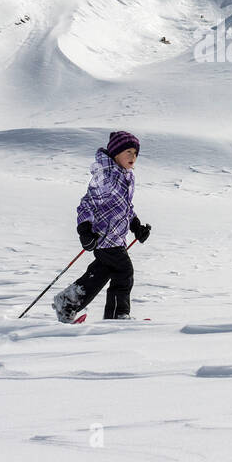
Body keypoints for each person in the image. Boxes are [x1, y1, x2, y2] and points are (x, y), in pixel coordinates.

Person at [53, 130, 152, 321]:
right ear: (116, 153)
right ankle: (118, 315)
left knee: (101, 272)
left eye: (135, 153)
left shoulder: (127, 177)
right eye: (128, 152)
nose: (133, 157)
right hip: (102, 236)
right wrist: (84, 230)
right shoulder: (105, 176)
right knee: (124, 271)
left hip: (116, 236)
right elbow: (87, 203)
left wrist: (136, 226)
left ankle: (67, 303)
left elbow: (125, 206)